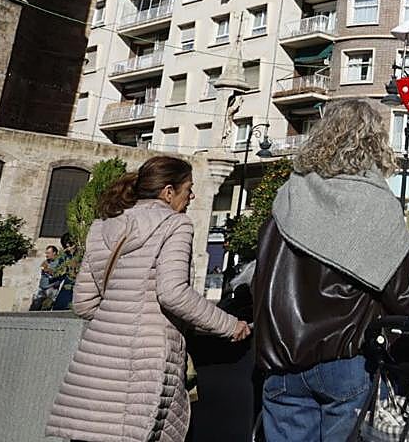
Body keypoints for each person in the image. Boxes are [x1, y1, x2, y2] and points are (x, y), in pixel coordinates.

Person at [253, 98, 409, 442]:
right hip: (346, 362)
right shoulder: (378, 205)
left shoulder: (288, 196)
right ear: (376, 143)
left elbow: (263, 276)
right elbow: (408, 299)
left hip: (281, 363)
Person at [46, 156, 248, 442]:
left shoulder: (101, 228)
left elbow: (83, 303)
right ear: (168, 191)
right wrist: (230, 325)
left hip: (96, 358)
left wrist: (120, 316)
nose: (192, 196)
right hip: (145, 360)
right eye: (188, 188)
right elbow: (173, 293)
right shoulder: (176, 224)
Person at [48, 232, 81, 310]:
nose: (68, 247)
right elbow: (57, 274)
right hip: (67, 288)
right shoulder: (64, 256)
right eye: (67, 244)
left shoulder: (81, 255)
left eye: (71, 244)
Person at [28, 245, 61, 311]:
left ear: (54, 253)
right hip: (42, 287)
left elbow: (58, 273)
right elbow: (42, 270)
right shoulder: (46, 261)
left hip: (51, 288)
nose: (46, 255)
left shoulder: (59, 262)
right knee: (35, 306)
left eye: (48, 253)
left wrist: (48, 270)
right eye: (46, 253)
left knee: (46, 308)